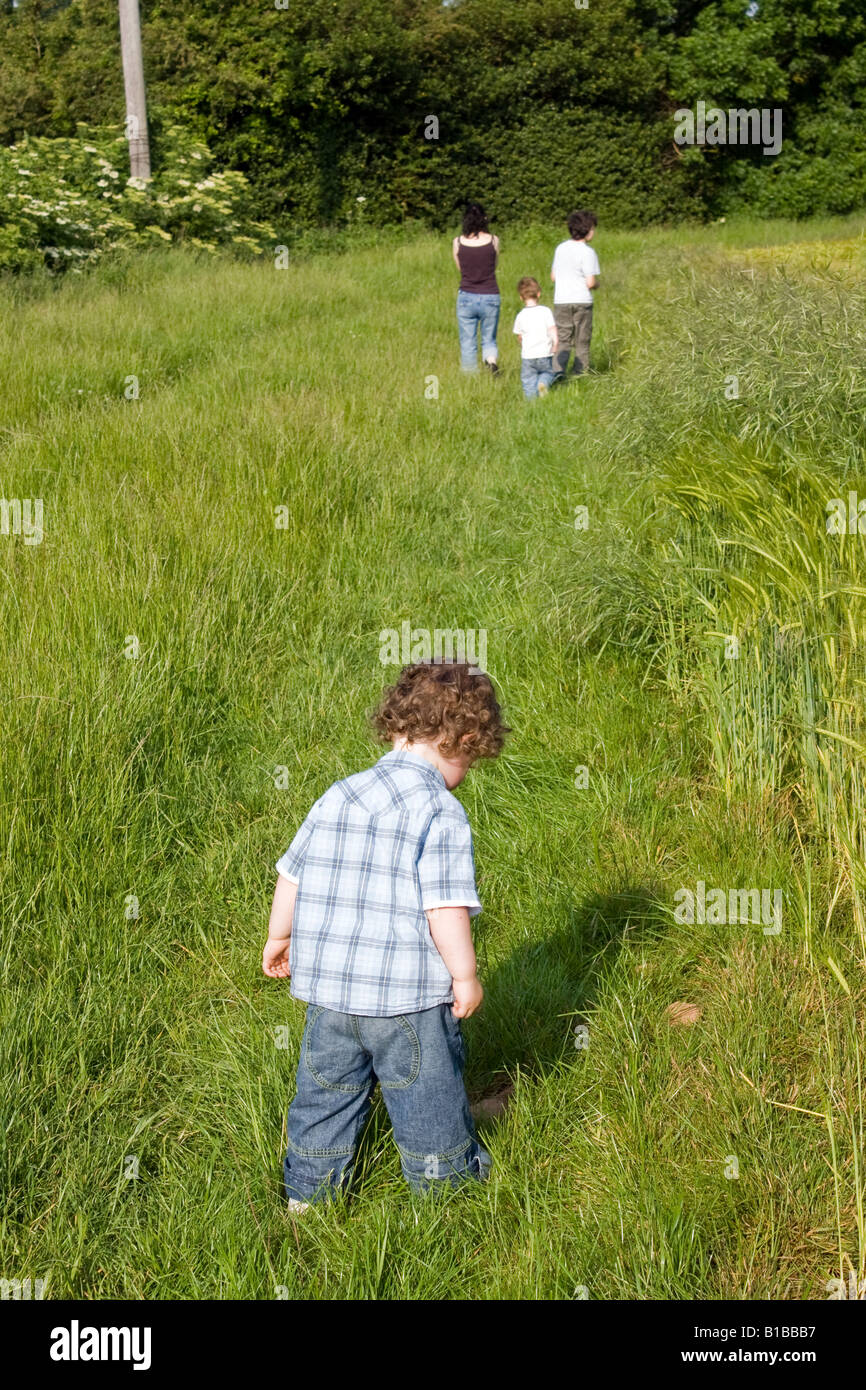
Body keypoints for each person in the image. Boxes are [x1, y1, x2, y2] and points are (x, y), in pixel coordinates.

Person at [263, 660, 509, 1209]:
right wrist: (465, 976)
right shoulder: (440, 811)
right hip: (406, 1002)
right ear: (465, 740)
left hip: (329, 996)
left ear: (396, 727)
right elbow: (444, 907)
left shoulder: (340, 794)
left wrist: (280, 938)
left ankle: (309, 1195)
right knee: (426, 1093)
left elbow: (293, 874)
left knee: (326, 1095)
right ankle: (445, 1185)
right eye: (469, 756)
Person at [550, 209, 600, 381]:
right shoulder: (588, 252)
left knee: (562, 340)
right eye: (593, 228)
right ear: (587, 230)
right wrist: (598, 285)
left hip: (561, 300)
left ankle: (557, 372)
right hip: (582, 301)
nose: (594, 231)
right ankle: (579, 375)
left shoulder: (560, 249)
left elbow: (553, 276)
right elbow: (590, 282)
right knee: (582, 340)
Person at [452, 202, 501, 373]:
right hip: (490, 294)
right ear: (484, 219)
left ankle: (470, 379)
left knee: (468, 342)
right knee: (489, 339)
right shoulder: (494, 240)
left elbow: (461, 269)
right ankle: (491, 359)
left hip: (466, 295)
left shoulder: (457, 242)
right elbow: (494, 266)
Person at [513, 276, 558, 399]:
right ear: (538, 294)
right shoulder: (546, 311)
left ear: (521, 297)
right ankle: (543, 383)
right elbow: (552, 329)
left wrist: (523, 344)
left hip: (528, 356)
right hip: (545, 353)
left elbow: (520, 336)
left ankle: (531, 403)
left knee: (528, 380)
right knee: (549, 373)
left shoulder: (520, 315)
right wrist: (555, 344)